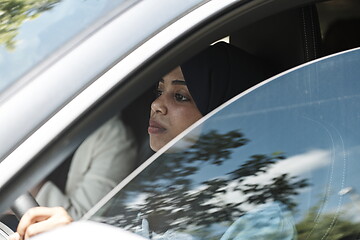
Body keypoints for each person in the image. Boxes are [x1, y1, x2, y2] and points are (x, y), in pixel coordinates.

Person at [9, 42, 271, 240]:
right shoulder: (165, 187)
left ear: (225, 113)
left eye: (180, 96)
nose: (156, 104)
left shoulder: (259, 218)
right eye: (160, 90)